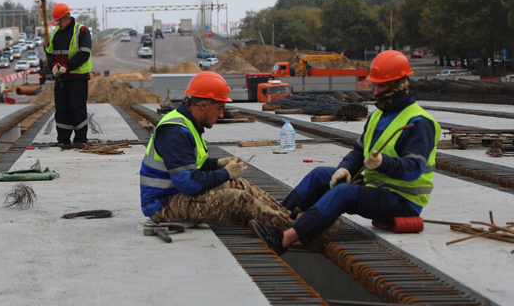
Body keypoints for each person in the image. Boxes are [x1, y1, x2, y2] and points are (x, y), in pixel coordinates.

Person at [249, 50, 441, 256]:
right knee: (321, 174)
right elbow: (358, 152)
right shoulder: (378, 116)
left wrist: (383, 163)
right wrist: (344, 170)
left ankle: (284, 240)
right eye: (375, 85)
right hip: (379, 189)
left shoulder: (419, 123)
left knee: (344, 193)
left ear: (400, 86)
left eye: (382, 86)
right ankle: (276, 221)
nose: (375, 92)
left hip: (403, 201)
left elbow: (413, 169)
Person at [139, 72, 317, 238]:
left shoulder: (186, 124)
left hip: (174, 194)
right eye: (219, 108)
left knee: (238, 183)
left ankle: (289, 216)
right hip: (162, 205)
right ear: (202, 106)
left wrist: (218, 164)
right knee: (239, 200)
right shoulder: (175, 131)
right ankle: (301, 230)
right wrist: (225, 173)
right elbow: (187, 183)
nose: (222, 114)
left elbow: (190, 165)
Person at [45, 3, 92, 146]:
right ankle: (63, 140)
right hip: (62, 79)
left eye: (59, 21)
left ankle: (80, 139)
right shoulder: (57, 34)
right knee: (62, 109)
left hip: (77, 78)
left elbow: (84, 53)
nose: (58, 25)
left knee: (77, 108)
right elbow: (50, 53)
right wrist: (53, 66)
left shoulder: (81, 31)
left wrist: (67, 67)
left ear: (67, 18)